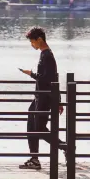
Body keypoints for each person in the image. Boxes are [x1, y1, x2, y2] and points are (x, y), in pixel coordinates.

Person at [19, 26, 66, 171]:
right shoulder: (43, 54)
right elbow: (53, 79)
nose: (32, 44)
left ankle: (65, 146)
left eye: (33, 42)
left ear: (39, 40)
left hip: (45, 98)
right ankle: (34, 158)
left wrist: (31, 74)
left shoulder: (48, 56)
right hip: (39, 97)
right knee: (31, 125)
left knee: (39, 128)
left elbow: (50, 79)